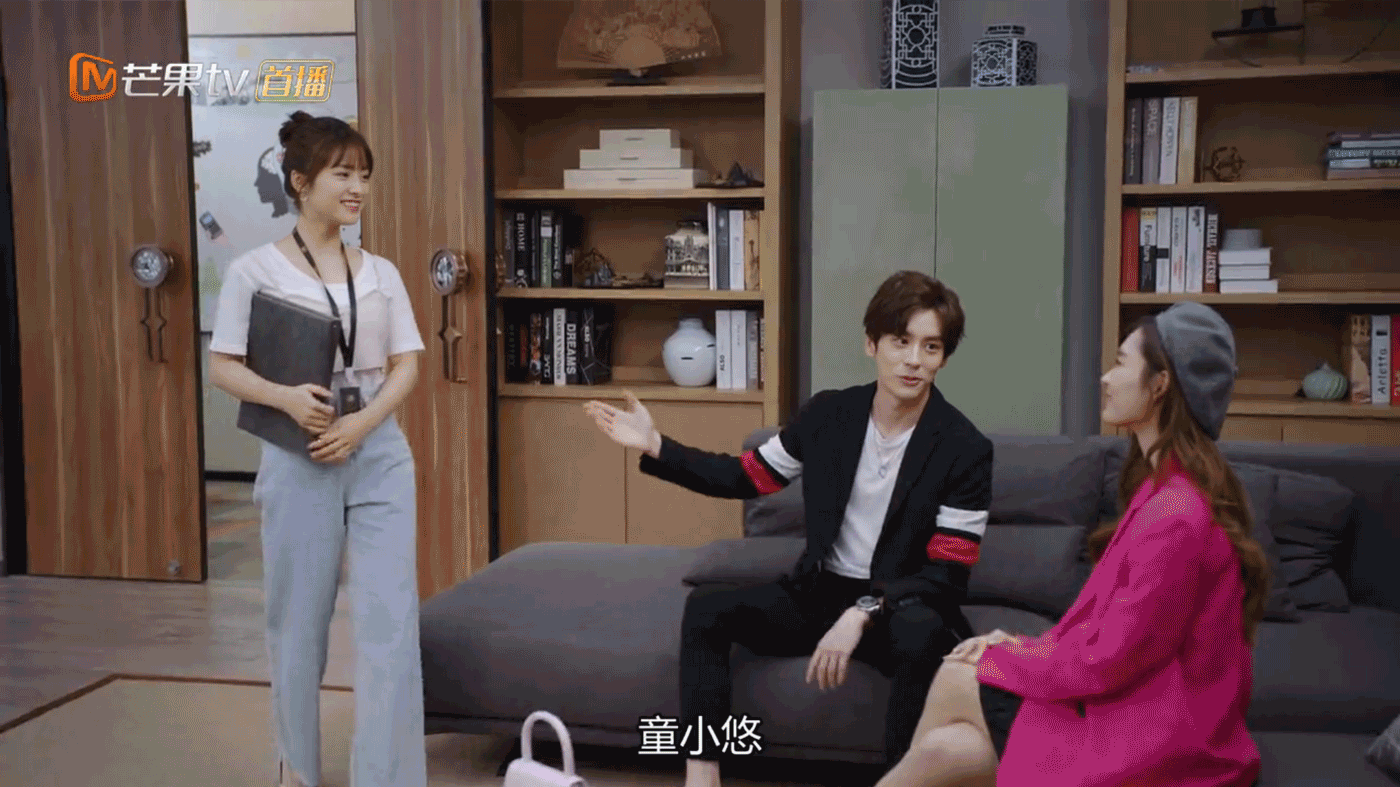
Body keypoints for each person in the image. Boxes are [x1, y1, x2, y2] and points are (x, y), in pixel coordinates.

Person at [583, 271, 995, 787]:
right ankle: (702, 774)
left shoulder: (964, 448)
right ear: (872, 344)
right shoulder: (829, 416)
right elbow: (746, 476)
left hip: (901, 605)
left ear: (943, 358)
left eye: (930, 347)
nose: (914, 360)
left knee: (922, 635)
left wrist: (864, 611)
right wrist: (656, 445)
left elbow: (947, 576)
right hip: (821, 592)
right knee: (708, 607)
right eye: (901, 341)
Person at [876, 301, 1268, 787]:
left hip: (1155, 736)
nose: (1106, 377)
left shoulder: (1175, 515)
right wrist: (1022, 646)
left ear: (1160, 384)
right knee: (946, 750)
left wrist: (1012, 658)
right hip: (1137, 710)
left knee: (959, 675)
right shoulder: (1162, 492)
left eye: (1121, 363)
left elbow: (1110, 660)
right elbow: (1109, 634)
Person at [208, 111, 428, 787]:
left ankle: (386, 778)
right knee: (298, 625)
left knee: (391, 626)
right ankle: (296, 770)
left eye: (364, 175)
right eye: (342, 174)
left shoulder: (381, 271)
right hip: (299, 455)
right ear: (300, 181)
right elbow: (223, 365)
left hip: (379, 452)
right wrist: (284, 398)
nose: (357, 187)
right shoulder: (254, 271)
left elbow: (406, 365)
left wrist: (363, 427)